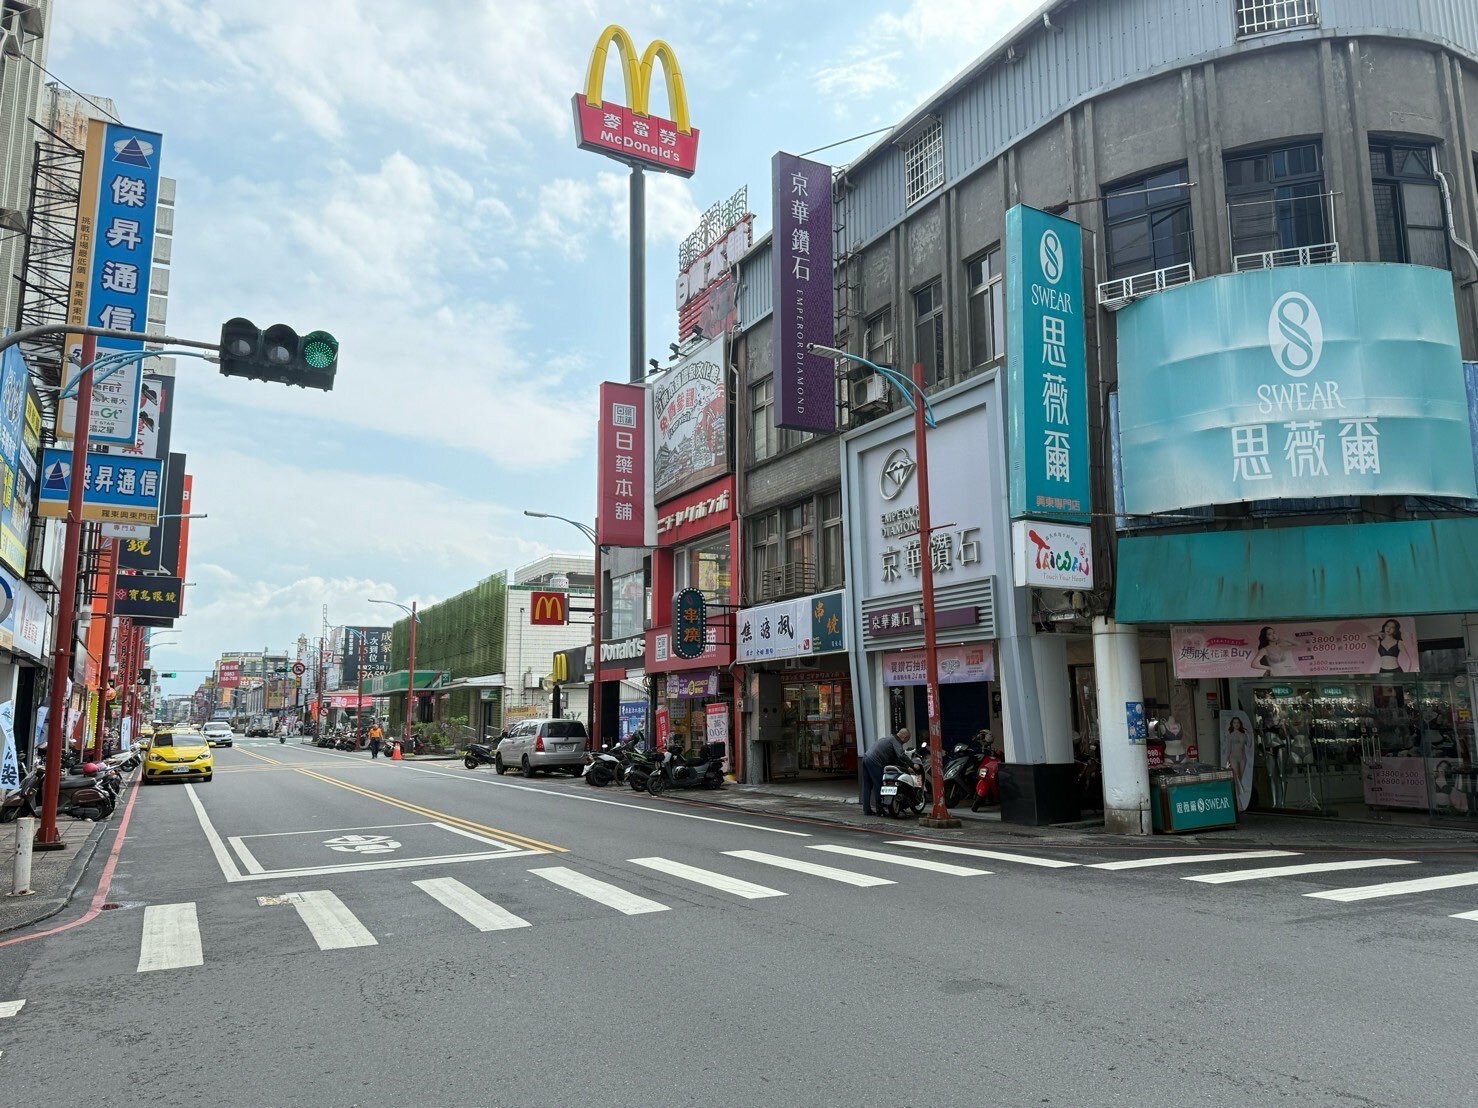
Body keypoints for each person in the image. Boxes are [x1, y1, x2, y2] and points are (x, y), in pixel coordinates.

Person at [861, 726, 912, 816]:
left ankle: (867, 809)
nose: (905, 742)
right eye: (907, 740)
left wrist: (906, 766)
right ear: (904, 737)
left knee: (867, 785)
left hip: (866, 758)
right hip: (874, 761)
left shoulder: (889, 738)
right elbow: (901, 755)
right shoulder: (896, 741)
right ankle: (880, 810)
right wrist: (911, 765)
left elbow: (895, 758)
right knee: (879, 785)